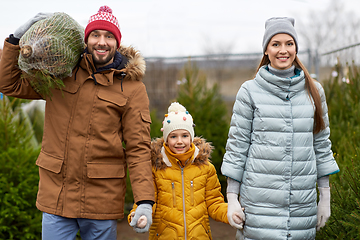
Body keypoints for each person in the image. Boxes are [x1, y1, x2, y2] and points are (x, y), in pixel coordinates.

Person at [0, 6, 155, 240]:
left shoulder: (132, 89)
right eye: (95, 35)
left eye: (108, 36)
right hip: (56, 196)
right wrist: (15, 40)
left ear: (117, 42)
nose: (101, 42)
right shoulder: (60, 73)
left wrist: (144, 200)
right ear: (87, 39)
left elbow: (138, 149)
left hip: (101, 200)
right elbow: (8, 84)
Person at [221, 17, 340, 240]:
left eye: (289, 43)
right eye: (275, 44)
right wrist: (233, 199)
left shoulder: (314, 91)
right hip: (258, 207)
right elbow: (237, 147)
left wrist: (325, 198)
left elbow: (321, 145)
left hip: (301, 207)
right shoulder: (249, 91)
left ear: (296, 47)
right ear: (266, 50)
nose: (283, 50)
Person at [128, 102, 233, 239]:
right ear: (166, 139)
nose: (179, 141)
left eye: (184, 135)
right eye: (173, 136)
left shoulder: (206, 168)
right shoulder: (156, 169)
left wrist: (230, 213)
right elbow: (147, 200)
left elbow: (214, 203)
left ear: (191, 137)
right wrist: (138, 215)